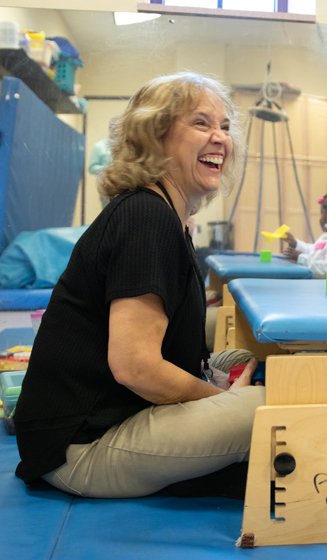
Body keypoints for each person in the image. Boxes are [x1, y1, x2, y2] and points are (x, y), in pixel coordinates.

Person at [14, 72, 265, 499]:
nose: (220, 137)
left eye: (224, 126)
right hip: (80, 448)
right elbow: (135, 367)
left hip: (115, 415)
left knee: (250, 356)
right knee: (265, 407)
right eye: (202, 123)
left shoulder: (168, 215)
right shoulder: (146, 218)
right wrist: (214, 398)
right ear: (156, 134)